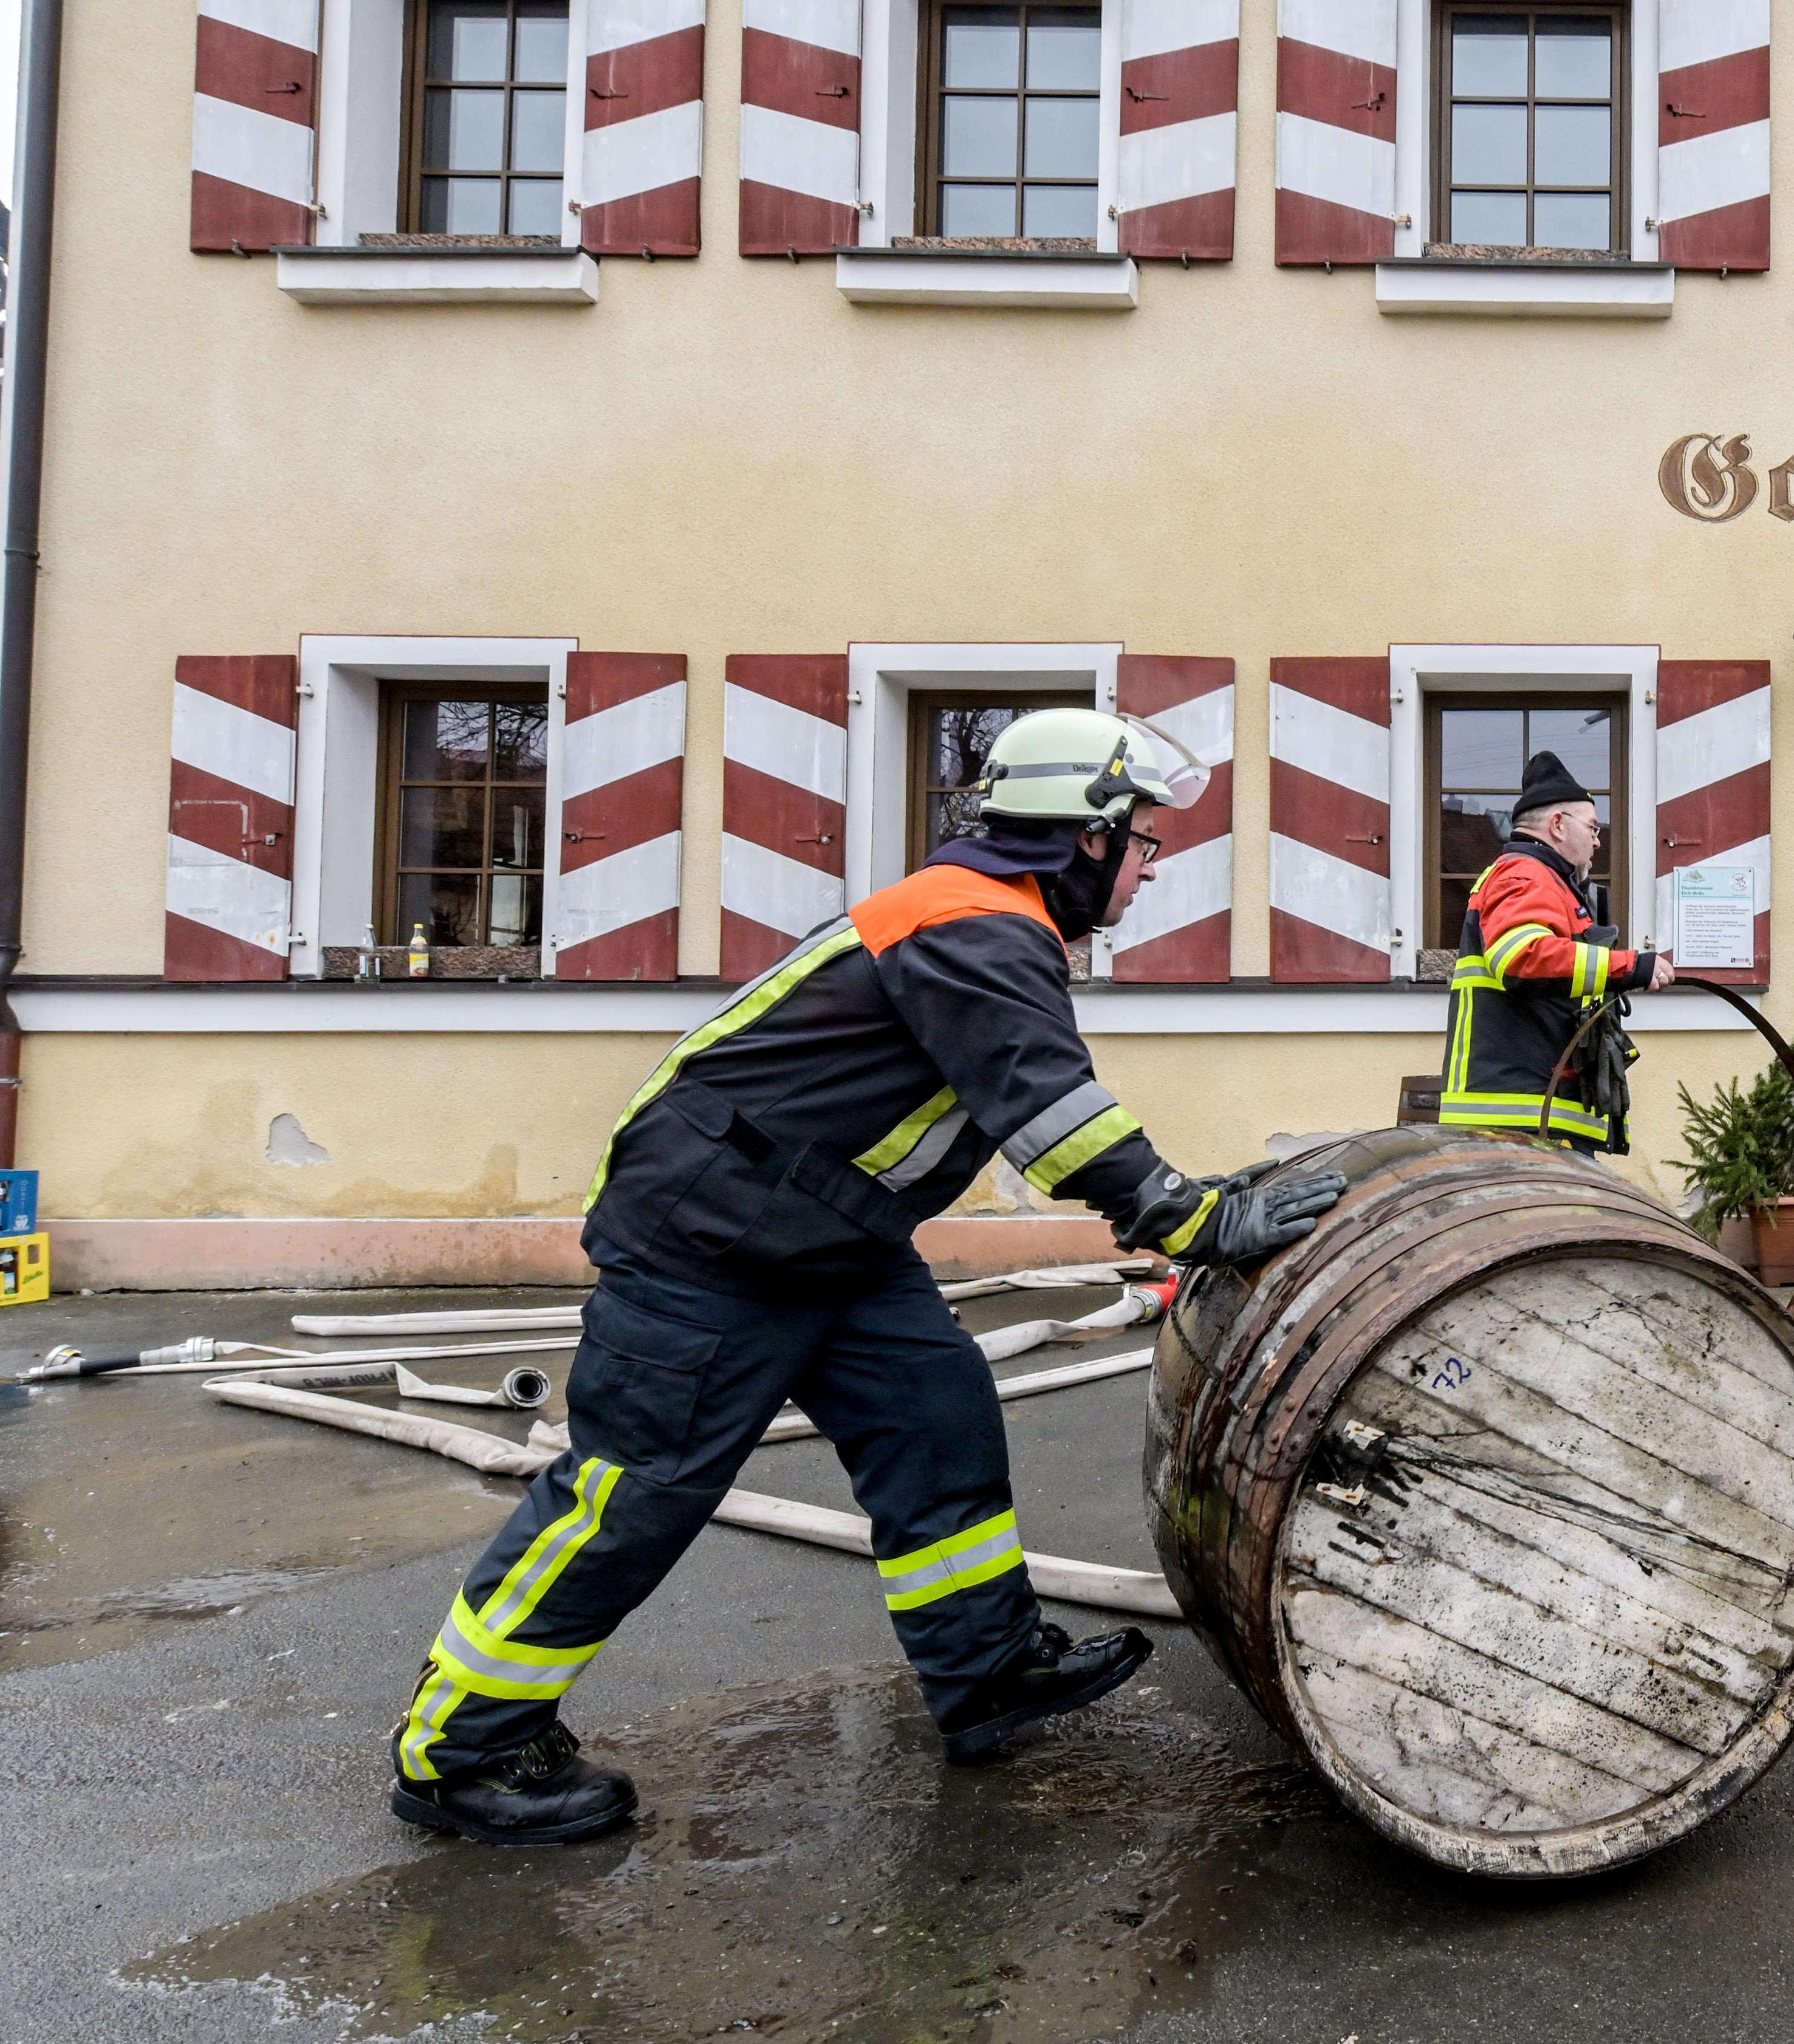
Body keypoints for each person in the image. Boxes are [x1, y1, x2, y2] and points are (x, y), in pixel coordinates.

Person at [387, 708, 1348, 1847]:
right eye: (1143, 840)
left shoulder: (990, 916)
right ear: (1083, 837)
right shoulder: (977, 926)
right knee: (634, 1489)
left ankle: (986, 1668)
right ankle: (465, 1748)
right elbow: (1050, 1111)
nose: (1150, 864)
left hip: (828, 1234)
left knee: (934, 1419)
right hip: (717, 1238)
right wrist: (1199, 1218)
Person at [1436, 751, 1676, 1153]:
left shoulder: (1541, 878)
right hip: (1521, 1119)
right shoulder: (1527, 874)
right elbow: (1524, 957)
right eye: (1593, 827)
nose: (1599, 840)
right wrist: (1629, 966)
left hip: (1529, 1113)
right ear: (1558, 825)